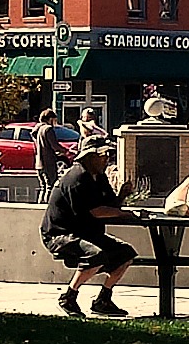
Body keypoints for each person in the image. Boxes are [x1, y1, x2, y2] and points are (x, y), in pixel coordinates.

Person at [40, 135, 141, 317]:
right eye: (104, 154)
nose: (107, 158)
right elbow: (96, 211)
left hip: (86, 232)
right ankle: (69, 297)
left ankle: (103, 300)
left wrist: (122, 195)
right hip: (60, 234)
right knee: (96, 255)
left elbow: (111, 206)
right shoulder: (77, 178)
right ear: (90, 156)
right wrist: (125, 214)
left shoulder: (99, 176)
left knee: (126, 254)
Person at [33, 110, 65, 203]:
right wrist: (65, 151)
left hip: (39, 163)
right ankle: (48, 207)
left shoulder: (38, 129)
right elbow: (54, 145)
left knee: (43, 187)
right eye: (54, 120)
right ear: (50, 119)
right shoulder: (48, 129)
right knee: (50, 186)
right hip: (48, 162)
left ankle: (39, 206)